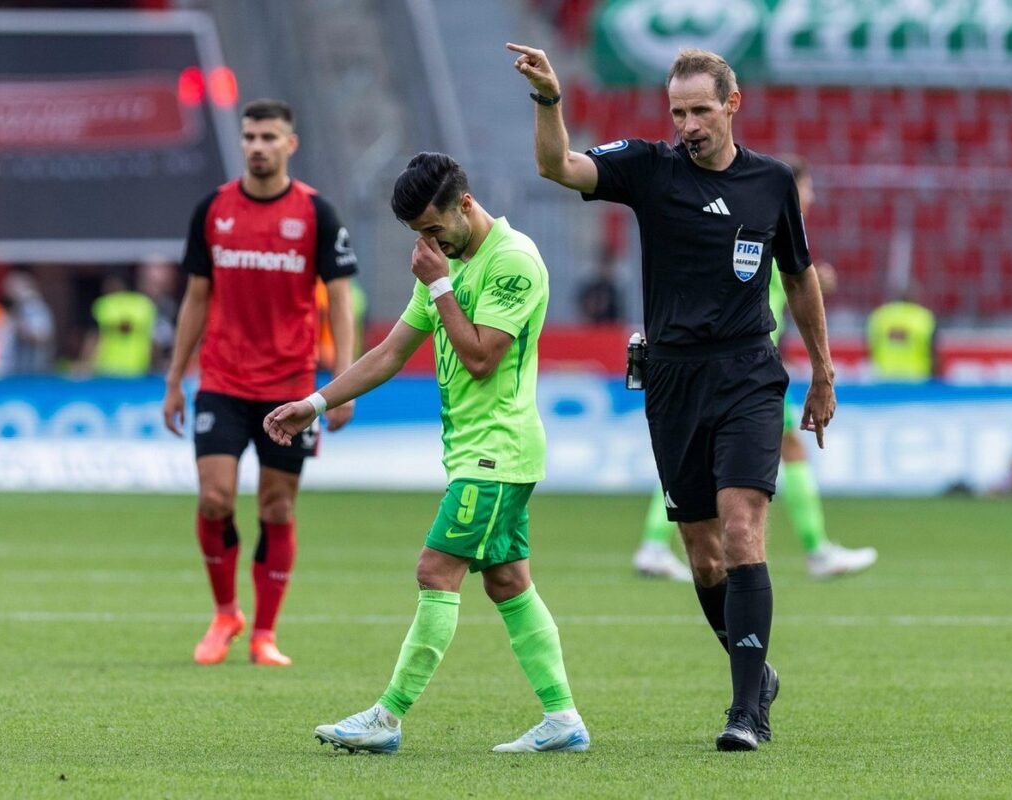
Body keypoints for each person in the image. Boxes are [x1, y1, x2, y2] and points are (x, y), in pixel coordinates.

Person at [509, 43, 836, 752]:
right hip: (673, 379)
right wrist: (548, 99)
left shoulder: (772, 183)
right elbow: (556, 167)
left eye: (700, 110)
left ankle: (746, 710)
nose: (688, 124)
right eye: (678, 111)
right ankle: (757, 673)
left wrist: (823, 370)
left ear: (732, 104)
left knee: (743, 527)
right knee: (703, 553)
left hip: (749, 370)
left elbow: (801, 277)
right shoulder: (650, 169)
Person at [264, 152, 589, 755]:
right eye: (417, 235)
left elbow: (481, 356)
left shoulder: (512, 262)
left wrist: (438, 285)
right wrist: (312, 402)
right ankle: (563, 718)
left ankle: (388, 716)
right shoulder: (451, 261)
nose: (426, 245)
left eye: (432, 230)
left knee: (435, 570)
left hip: (497, 453)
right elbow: (390, 353)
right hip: (478, 453)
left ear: (464, 204)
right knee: (508, 583)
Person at [161, 98, 360, 667]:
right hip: (222, 380)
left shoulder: (317, 215)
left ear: (290, 145)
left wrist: (340, 383)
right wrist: (176, 379)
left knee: (276, 508)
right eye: (250, 136)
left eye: (269, 137)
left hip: (289, 388)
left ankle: (264, 634)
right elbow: (196, 297)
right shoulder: (213, 209)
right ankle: (226, 613)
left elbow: (339, 299)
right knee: (215, 497)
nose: (257, 146)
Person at [634, 156, 875, 582]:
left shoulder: (758, 222)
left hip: (745, 366)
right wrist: (816, 278)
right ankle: (817, 550)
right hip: (749, 369)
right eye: (808, 188)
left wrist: (815, 276)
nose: (813, 197)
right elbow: (781, 275)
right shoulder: (763, 221)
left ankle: (655, 543)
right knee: (760, 452)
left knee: (693, 457)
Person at [78, 274, 156, 377]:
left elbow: (94, 336)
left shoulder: (104, 305)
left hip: (108, 367)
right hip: (137, 367)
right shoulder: (144, 305)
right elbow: (152, 340)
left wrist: (84, 363)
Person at [866, 288, 937, 381]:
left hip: (884, 375)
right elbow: (933, 350)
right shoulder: (923, 317)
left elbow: (869, 346)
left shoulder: (880, 316)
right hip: (916, 377)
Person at [1, 269, 55, 375]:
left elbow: (43, 336)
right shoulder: (15, 308)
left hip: (33, 368)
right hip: (17, 368)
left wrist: (23, 330)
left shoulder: (33, 307)